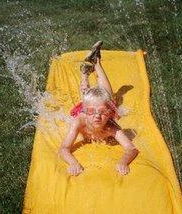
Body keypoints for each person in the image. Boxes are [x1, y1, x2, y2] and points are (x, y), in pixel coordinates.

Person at [58, 41, 139, 176]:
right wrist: (73, 162)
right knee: (88, 97)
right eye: (91, 112)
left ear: (108, 113)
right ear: (85, 111)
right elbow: (64, 148)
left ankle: (96, 63)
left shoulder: (111, 126)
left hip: (97, 106)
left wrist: (123, 162)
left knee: (107, 98)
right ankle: (86, 72)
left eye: (102, 112)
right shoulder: (79, 122)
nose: (97, 116)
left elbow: (131, 149)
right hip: (84, 109)